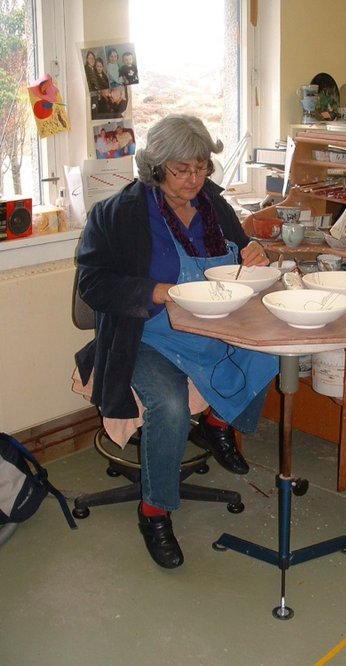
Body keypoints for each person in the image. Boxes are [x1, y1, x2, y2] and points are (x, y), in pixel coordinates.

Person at [76, 115, 278, 569]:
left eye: (202, 167)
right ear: (155, 166)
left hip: (210, 325)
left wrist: (257, 255)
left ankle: (219, 425)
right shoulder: (117, 215)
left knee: (272, 351)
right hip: (148, 334)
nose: (194, 179)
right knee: (167, 405)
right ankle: (155, 512)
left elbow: (243, 259)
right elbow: (93, 284)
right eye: (182, 169)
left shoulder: (214, 206)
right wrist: (156, 291)